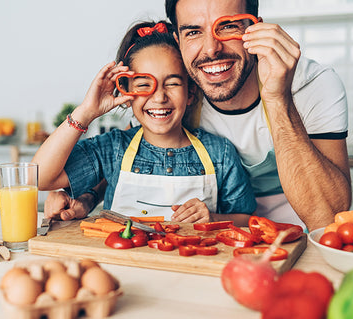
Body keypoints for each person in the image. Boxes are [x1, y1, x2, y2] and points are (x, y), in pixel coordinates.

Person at [45, 0, 352, 231]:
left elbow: (325, 217)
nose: (211, 50)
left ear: (255, 28)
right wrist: (84, 196)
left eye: (228, 25)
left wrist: (277, 96)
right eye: (193, 31)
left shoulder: (313, 84)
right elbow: (130, 153)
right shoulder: (183, 86)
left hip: (293, 235)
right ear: (178, 40)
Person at [33, 21, 257, 226]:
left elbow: (247, 219)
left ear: (190, 92)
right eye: (143, 85)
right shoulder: (112, 148)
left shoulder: (221, 153)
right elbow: (39, 177)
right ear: (127, 92)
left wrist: (214, 218)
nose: (159, 97)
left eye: (172, 83)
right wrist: (86, 112)